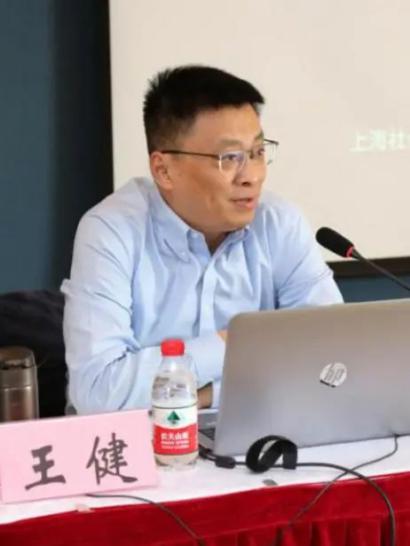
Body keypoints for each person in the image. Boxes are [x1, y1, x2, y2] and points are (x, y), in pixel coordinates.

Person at [62, 65, 343, 414]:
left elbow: (332, 357)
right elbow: (98, 392)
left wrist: (205, 395)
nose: (252, 176)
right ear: (164, 170)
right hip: (144, 441)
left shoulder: (279, 223)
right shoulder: (110, 231)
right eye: (230, 158)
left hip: (257, 435)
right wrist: (241, 343)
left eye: (257, 152)